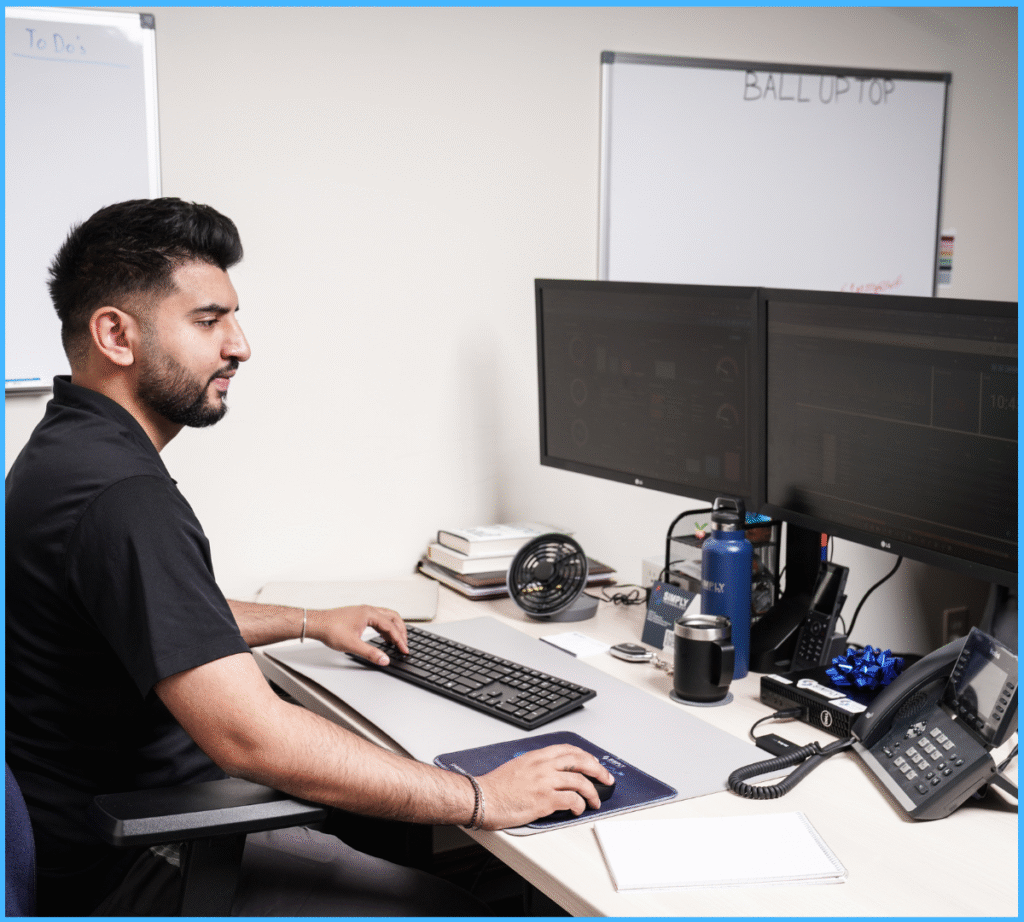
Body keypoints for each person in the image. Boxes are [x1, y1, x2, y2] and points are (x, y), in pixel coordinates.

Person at [5, 198, 613, 916]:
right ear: (116, 334)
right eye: (209, 320)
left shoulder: (62, 455)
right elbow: (250, 738)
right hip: (147, 869)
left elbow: (161, 614)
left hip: (95, 836)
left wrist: (308, 620)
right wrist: (483, 797)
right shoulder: (124, 498)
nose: (240, 344)